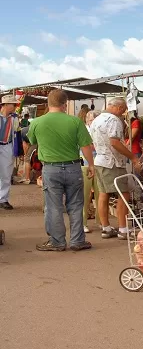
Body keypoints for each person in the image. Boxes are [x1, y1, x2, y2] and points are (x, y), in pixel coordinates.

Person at [27, 89, 95, 251]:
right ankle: (77, 240)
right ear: (65, 104)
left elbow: (32, 142)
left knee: (53, 206)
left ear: (48, 104)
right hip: (73, 167)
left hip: (50, 168)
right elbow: (86, 146)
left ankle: (57, 241)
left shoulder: (37, 122)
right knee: (76, 204)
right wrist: (91, 165)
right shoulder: (75, 122)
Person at [89, 97, 143, 240]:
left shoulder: (96, 120)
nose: (124, 112)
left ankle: (106, 227)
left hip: (100, 160)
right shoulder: (114, 120)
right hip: (112, 162)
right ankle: (123, 229)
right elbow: (114, 142)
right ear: (118, 108)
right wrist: (132, 157)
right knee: (123, 194)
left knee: (103, 194)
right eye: (123, 109)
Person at [82, 110, 101, 233]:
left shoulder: (99, 130)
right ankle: (83, 223)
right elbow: (86, 146)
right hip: (85, 165)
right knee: (84, 195)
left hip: (99, 164)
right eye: (90, 120)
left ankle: (100, 221)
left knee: (100, 194)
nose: (92, 122)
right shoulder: (83, 130)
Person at [0, 95, 19, 210]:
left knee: (6, 174)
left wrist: (17, 150)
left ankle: (3, 199)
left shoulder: (14, 118)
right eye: (13, 104)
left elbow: (17, 134)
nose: (15, 106)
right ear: (6, 105)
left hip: (7, 146)